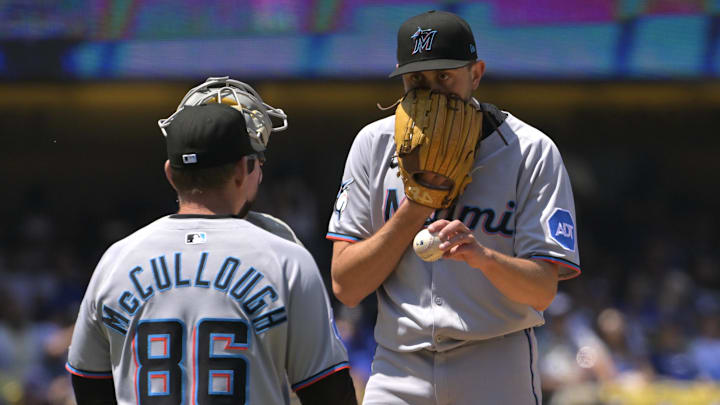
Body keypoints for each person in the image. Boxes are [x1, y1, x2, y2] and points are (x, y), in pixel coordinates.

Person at [327, 10, 580, 404]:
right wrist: (416, 206)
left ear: (475, 74)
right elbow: (347, 286)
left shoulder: (530, 151)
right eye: (417, 80)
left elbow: (542, 291)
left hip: (495, 363)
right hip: (399, 366)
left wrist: (484, 258)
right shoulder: (374, 144)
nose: (431, 91)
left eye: (444, 76)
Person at [66, 78, 357, 405]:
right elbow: (330, 393)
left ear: (170, 174)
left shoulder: (116, 260)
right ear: (240, 170)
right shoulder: (286, 260)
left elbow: (88, 384)